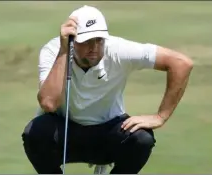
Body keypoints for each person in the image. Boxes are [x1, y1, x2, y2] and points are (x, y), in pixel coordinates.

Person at [21, 5, 193, 174]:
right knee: (34, 134)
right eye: (86, 41)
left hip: (108, 132)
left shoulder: (118, 49)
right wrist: (64, 51)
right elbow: (48, 103)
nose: (94, 48)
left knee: (141, 139)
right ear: (72, 40)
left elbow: (181, 63)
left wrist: (160, 117)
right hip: (65, 130)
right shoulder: (54, 50)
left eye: (99, 40)